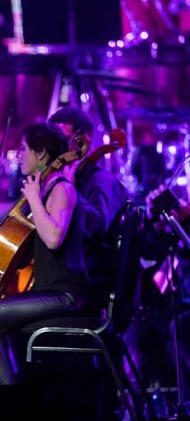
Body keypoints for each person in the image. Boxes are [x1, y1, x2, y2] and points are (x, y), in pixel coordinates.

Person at [0, 122, 96, 385]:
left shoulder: (61, 188)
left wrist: (34, 200)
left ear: (41, 153)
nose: (17, 156)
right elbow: (27, 254)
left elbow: (53, 239)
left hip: (68, 294)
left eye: (23, 149)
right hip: (49, 291)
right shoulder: (46, 190)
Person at [49, 107, 128, 297]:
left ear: (84, 140)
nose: (55, 149)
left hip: (84, 286)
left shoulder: (103, 182)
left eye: (61, 141)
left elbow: (96, 227)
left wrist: (70, 192)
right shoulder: (57, 177)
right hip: (58, 277)